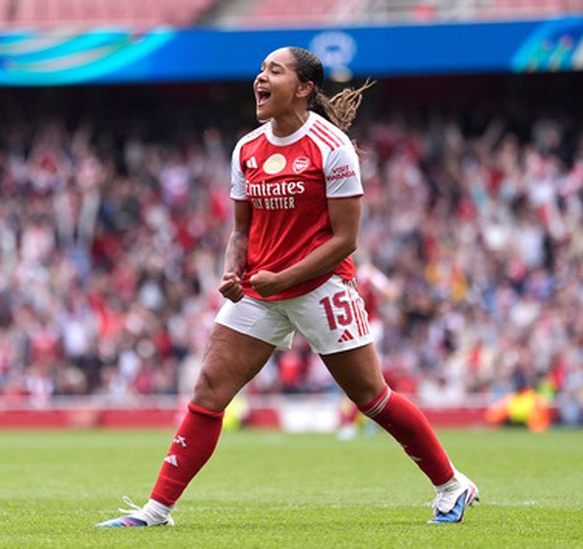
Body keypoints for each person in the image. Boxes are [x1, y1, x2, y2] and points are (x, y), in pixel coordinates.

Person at [97, 46, 479, 528]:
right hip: (261, 290)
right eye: (260, 70)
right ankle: (156, 511)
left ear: (303, 88)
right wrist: (231, 270)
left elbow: (346, 240)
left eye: (273, 71)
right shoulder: (246, 149)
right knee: (209, 391)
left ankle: (452, 485)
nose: (260, 77)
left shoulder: (332, 148)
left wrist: (285, 277)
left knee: (372, 398)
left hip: (321, 288)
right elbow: (241, 230)